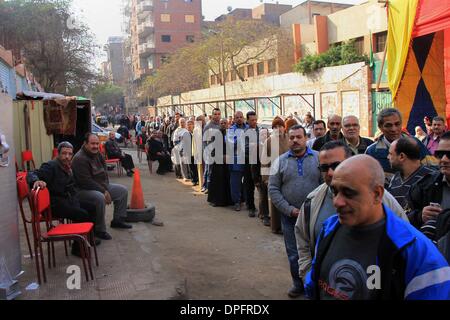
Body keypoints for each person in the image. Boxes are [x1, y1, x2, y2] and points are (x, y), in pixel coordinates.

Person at [304, 155, 450, 300]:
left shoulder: (416, 252)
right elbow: (315, 283)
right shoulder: (328, 229)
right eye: (335, 192)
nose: (337, 202)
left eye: (349, 193)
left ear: (377, 194)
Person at [295, 141, 408, 284]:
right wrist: (309, 277)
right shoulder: (312, 201)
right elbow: (302, 240)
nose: (330, 172)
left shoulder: (381, 198)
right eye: (324, 167)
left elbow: (405, 241)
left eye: (336, 165)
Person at [269, 125, 322, 298]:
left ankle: (317, 287)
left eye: (299, 137)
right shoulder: (280, 162)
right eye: (291, 138)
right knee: (294, 254)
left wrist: (315, 208)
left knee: (317, 252)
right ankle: (298, 284)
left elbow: (326, 186)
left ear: (305, 138)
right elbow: (273, 189)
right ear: (288, 139)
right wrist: (290, 210)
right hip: (290, 218)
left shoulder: (318, 159)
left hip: (316, 216)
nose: (295, 141)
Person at [26, 141, 100, 256]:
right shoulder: (51, 166)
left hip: (66, 200)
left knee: (92, 207)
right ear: (58, 154)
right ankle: (77, 248)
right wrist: (36, 180)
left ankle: (89, 238)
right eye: (64, 153)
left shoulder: (67, 166)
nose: (67, 156)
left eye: (70, 154)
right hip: (53, 204)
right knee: (82, 214)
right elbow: (31, 173)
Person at [72, 133, 132, 241]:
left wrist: (106, 187)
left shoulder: (98, 154)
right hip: (82, 190)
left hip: (100, 186)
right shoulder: (79, 159)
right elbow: (86, 182)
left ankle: (118, 220)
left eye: (97, 143)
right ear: (85, 144)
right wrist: (104, 191)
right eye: (92, 144)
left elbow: (104, 172)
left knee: (122, 191)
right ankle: (99, 230)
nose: (95, 146)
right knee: (99, 198)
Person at [366, 108, 430, 185]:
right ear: (380, 127)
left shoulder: (415, 143)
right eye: (388, 125)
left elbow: (432, 169)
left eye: (397, 124)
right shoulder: (372, 151)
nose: (394, 129)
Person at [387, 137, 436, 220]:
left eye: (390, 154)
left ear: (401, 156)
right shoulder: (395, 178)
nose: (388, 157)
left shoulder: (431, 178)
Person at [261, 117, 290, 231]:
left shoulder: (290, 139)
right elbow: (264, 161)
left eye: (280, 126)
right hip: (274, 175)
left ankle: (287, 226)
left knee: (288, 201)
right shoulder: (269, 141)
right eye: (275, 127)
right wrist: (266, 178)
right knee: (275, 202)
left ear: (284, 127)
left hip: (288, 175)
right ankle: (276, 226)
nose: (278, 129)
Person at [227, 111, 249, 212]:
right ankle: (237, 202)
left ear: (243, 118)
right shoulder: (231, 130)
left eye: (241, 117)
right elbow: (230, 143)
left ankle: (248, 201)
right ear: (234, 119)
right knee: (235, 183)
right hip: (236, 160)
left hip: (248, 160)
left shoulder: (248, 128)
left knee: (248, 182)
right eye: (237, 117)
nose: (239, 119)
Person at [243, 111, 258, 218]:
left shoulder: (260, 130)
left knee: (259, 184)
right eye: (252, 120)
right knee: (249, 184)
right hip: (248, 161)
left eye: (255, 120)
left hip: (259, 161)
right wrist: (256, 146)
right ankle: (251, 207)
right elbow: (244, 148)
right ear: (247, 120)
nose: (254, 122)